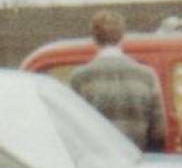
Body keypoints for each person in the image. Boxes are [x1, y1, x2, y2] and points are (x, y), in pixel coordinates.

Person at [68, 10, 167, 151]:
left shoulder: (79, 78)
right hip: (136, 157)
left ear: (94, 38)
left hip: (97, 158)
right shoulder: (147, 76)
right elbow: (159, 132)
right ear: (122, 37)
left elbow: (72, 129)